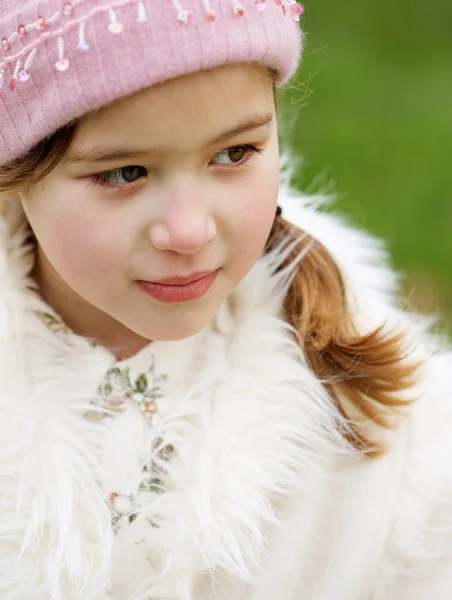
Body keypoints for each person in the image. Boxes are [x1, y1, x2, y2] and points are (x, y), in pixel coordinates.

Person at [0, 0, 450, 598]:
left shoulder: (390, 433)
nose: (189, 231)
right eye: (124, 172)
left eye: (234, 154)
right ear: (15, 171)